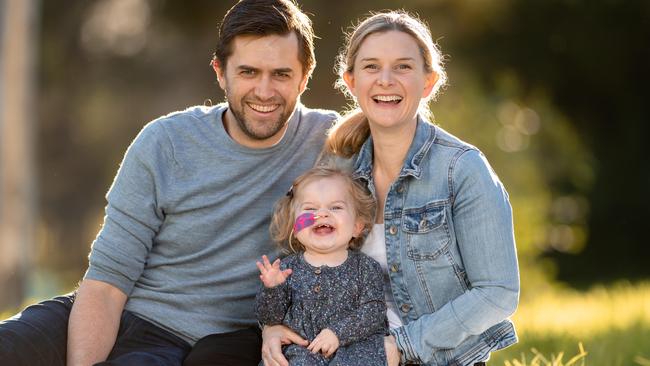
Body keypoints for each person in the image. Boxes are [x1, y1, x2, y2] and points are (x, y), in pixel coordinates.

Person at [0, 1, 338, 365]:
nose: (265, 91)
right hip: (105, 308)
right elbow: (108, 279)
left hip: (185, 345)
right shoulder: (166, 141)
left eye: (281, 75)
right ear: (220, 73)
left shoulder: (332, 142)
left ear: (305, 77)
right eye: (249, 72)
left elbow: (399, 132)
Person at [262, 11, 520, 366]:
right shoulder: (338, 169)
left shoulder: (461, 169)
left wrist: (401, 346)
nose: (386, 80)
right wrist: (272, 327)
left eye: (402, 67)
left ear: (428, 82)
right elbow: (299, 262)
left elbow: (498, 293)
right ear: (351, 81)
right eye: (371, 67)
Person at [255, 167, 387, 365]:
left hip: (353, 350)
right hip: (302, 351)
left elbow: (374, 312)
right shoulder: (286, 269)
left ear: (357, 226)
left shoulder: (366, 268)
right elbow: (270, 318)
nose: (322, 214)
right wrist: (272, 289)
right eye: (310, 209)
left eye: (336, 208)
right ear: (294, 227)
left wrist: (338, 333)